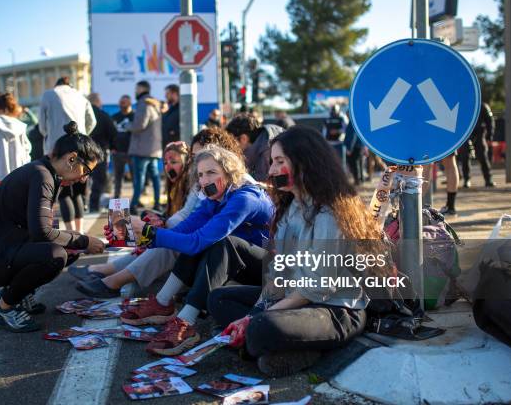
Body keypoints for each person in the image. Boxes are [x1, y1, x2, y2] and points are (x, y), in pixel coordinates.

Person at [208, 126, 388, 377]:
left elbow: (315, 288)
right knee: (219, 298)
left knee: (260, 326)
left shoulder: (331, 214)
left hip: (336, 310)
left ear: (305, 163)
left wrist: (255, 319)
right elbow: (276, 275)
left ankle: (285, 346)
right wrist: (256, 311)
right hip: (295, 302)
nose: (270, 171)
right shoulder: (290, 208)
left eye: (279, 161)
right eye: (271, 162)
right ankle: (270, 345)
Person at [119, 146, 274, 356]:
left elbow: (196, 242)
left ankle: (186, 322)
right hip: (244, 265)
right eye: (200, 174)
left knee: (219, 243)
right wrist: (141, 235)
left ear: (229, 173)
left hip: (272, 270)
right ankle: (163, 303)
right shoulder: (216, 197)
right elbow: (184, 231)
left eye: (211, 172)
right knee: (203, 240)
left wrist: (151, 234)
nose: (204, 180)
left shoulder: (245, 198)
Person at [73, 128, 246, 299]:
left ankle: (116, 280)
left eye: (210, 169)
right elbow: (186, 223)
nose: (198, 164)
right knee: (161, 240)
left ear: (225, 161)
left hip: (237, 269)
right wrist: (147, 234)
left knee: (168, 244)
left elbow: (195, 238)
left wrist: (151, 232)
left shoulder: (242, 196)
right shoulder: (208, 193)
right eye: (196, 159)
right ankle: (118, 280)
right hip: (217, 258)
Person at [0, 121, 105, 332]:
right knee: (56, 255)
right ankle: (4, 307)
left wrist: (76, 241)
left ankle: (21, 295)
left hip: (0, 248)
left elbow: (41, 228)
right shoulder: (42, 176)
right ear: (71, 159)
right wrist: (84, 240)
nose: (84, 179)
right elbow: (42, 231)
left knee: (68, 249)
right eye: (86, 171)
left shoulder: (45, 172)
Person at [128, 80, 162, 214]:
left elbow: (139, 125)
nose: (135, 91)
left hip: (142, 148)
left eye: (136, 89)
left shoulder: (143, 103)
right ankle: (158, 203)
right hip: (154, 149)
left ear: (142, 89)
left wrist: (127, 127)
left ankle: (134, 204)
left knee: (139, 178)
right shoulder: (155, 104)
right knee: (155, 177)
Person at [39, 76, 96, 155]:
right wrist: (83, 133)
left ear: (56, 85)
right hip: (78, 144)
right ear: (70, 85)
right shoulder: (81, 96)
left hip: (55, 146)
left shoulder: (47, 95)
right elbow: (92, 121)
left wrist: (50, 134)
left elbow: (42, 126)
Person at [226, 112, 283, 182]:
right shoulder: (265, 139)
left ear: (244, 139)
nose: (231, 147)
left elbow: (264, 184)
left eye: (232, 142)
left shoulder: (267, 152)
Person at [87, 92, 117, 212]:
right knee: (99, 180)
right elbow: (113, 133)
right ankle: (93, 205)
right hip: (99, 152)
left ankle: (81, 204)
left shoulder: (82, 115)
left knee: (81, 178)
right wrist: (112, 146)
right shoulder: (103, 115)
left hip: (83, 152)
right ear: (98, 102)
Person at [458, 101, 495, 188]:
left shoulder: (483, 106)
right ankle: (467, 179)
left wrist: (490, 136)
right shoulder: (463, 106)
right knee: (465, 157)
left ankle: (488, 179)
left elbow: (490, 121)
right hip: (466, 135)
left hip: (480, 134)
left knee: (483, 156)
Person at [111, 95, 134, 199]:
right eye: (121, 103)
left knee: (136, 178)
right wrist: (112, 147)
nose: (122, 104)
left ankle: (136, 199)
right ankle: (116, 197)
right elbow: (110, 134)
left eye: (124, 102)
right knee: (118, 177)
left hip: (132, 152)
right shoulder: (115, 117)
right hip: (118, 152)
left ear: (130, 103)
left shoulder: (135, 116)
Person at [343, 117, 365, 185]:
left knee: (354, 163)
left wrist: (349, 148)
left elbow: (352, 136)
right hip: (360, 145)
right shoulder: (358, 121)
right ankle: (361, 179)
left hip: (354, 146)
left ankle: (357, 180)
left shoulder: (352, 122)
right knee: (359, 163)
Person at [161, 84, 180, 149]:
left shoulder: (182, 110)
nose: (165, 96)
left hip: (177, 149)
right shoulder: (169, 110)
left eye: (167, 93)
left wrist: (174, 132)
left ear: (174, 94)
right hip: (167, 148)